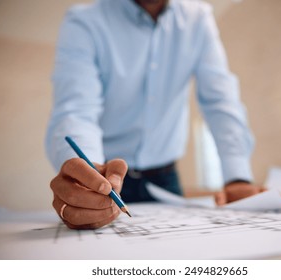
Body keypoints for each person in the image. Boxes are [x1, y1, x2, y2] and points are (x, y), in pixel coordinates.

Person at [46, 0, 263, 230]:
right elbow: (77, 110)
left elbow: (220, 100)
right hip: (103, 178)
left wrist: (237, 177)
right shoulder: (85, 20)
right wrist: (85, 175)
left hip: (166, 179)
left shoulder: (198, 17)